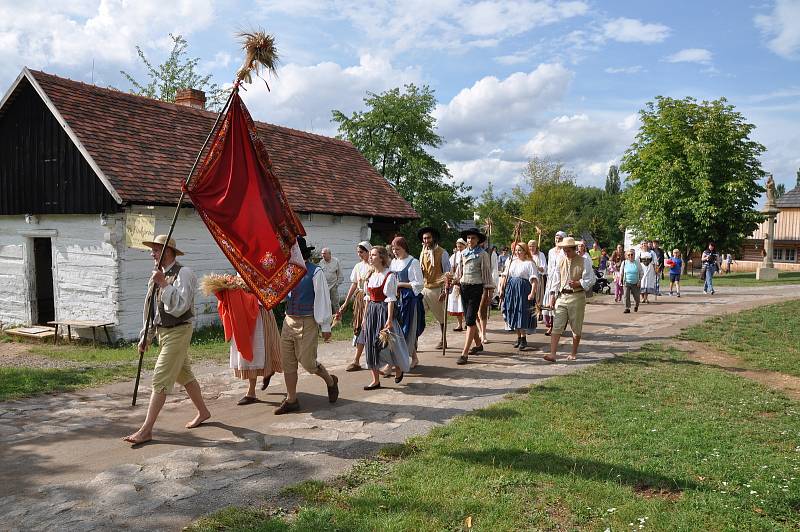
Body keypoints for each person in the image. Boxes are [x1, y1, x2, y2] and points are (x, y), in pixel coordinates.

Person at [123, 235, 210, 446]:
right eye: (152, 250)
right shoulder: (157, 275)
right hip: (164, 332)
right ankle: (204, 412)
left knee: (160, 377)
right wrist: (146, 336)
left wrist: (164, 284)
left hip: (180, 331)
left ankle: (146, 430)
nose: (151, 254)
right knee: (184, 375)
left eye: (155, 250)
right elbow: (153, 310)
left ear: (166, 251)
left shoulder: (184, 273)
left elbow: (180, 307)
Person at [274, 236, 339, 415]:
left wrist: (325, 327)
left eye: (291, 253)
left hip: (308, 321)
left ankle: (331, 381)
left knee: (309, 364)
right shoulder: (288, 271)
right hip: (288, 320)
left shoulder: (315, 272)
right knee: (288, 363)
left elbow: (323, 300)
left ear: (300, 254)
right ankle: (291, 399)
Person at [215, 275, 282, 405]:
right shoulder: (240, 267)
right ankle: (254, 388)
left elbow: (268, 294)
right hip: (243, 313)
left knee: (260, 349)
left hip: (259, 313)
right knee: (250, 350)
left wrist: (246, 297)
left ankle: (253, 389)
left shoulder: (263, 268)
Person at [361, 246, 411, 390]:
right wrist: (364, 318)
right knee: (370, 344)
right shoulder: (370, 276)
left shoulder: (389, 275)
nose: (370, 257)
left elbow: (391, 299)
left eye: (374, 255)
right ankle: (375, 380)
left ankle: (398, 366)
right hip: (371, 312)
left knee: (386, 345)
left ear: (382, 257)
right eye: (370, 255)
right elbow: (367, 299)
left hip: (383, 311)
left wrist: (389, 319)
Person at [543, 237, 594, 362]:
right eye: (564, 250)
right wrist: (553, 296)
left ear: (574, 249)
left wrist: (579, 283)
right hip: (562, 296)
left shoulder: (584, 261)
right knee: (557, 325)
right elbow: (555, 280)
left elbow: (591, 279)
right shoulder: (561, 261)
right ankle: (552, 354)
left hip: (577, 296)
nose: (566, 253)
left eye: (568, 251)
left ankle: (573, 352)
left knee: (576, 327)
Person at [452, 228, 494, 365]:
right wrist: (452, 281)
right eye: (468, 238)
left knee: (470, 320)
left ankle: (464, 354)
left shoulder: (483, 254)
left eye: (473, 238)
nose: (470, 240)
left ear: (478, 240)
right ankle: (478, 344)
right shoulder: (462, 253)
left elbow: (487, 274)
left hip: (476, 288)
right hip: (464, 287)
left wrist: (489, 291)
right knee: (468, 318)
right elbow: (459, 272)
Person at [390, 236, 425, 369]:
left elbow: (419, 284)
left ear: (404, 248)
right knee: (398, 330)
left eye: (397, 249)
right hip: (397, 299)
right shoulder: (393, 262)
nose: (395, 251)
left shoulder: (413, 262)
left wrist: (402, 284)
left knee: (407, 329)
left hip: (409, 300)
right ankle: (413, 358)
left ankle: (397, 362)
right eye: (393, 249)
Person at [337, 241, 372, 371]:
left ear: (369, 251)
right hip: (360, 300)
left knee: (371, 328)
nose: (359, 255)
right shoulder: (358, 266)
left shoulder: (375, 266)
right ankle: (356, 360)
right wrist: (346, 302)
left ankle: (375, 360)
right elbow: (354, 284)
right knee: (359, 328)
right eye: (358, 252)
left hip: (373, 301)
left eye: (361, 252)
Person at [500, 242, 539, 350]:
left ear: (525, 251)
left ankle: (523, 338)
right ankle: (518, 337)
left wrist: (532, 293)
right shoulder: (512, 262)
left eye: (520, 250)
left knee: (521, 313)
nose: (517, 252)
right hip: (511, 289)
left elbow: (534, 280)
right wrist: (502, 288)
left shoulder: (529, 263)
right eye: (516, 250)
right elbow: (505, 275)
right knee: (513, 312)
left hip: (523, 290)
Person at [418, 227, 451, 351]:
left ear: (433, 238)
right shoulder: (422, 252)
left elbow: (447, 272)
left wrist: (444, 290)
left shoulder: (442, 252)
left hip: (437, 288)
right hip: (425, 288)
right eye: (424, 238)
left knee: (441, 317)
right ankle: (414, 341)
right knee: (419, 314)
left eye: (428, 238)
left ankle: (443, 339)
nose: (426, 240)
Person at [543, 231, 566, 335]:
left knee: (558, 303)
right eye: (556, 238)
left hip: (561, 278)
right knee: (549, 302)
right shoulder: (551, 251)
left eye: (560, 239)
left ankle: (558, 326)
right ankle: (551, 326)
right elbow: (549, 266)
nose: (557, 240)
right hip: (551, 278)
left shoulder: (565, 252)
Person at [447, 238, 467, 332]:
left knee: (465, 304)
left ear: (464, 245)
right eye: (458, 245)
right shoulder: (454, 256)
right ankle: (459, 324)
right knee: (457, 304)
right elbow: (450, 268)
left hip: (464, 281)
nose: (459, 247)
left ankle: (468, 322)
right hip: (455, 282)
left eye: (461, 245)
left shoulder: (467, 254)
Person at [527, 239, 547, 320]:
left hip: (538, 277)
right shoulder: (527, 255)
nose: (532, 248)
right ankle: (530, 313)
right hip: (529, 277)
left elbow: (543, 268)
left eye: (533, 246)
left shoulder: (540, 255)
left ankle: (539, 312)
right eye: (530, 246)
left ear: (536, 247)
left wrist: (535, 266)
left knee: (538, 295)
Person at [319, 247, 343, 312]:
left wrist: (337, 284)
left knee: (335, 303)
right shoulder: (321, 262)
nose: (322, 255)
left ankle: (338, 318)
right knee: (325, 303)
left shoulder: (336, 261)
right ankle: (327, 318)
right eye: (322, 254)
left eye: (324, 254)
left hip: (333, 286)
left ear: (329, 254)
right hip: (324, 287)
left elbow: (340, 274)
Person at [622, 249, 644, 313]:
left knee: (637, 297)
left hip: (636, 282)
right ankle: (627, 308)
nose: (630, 256)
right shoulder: (624, 262)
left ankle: (636, 305)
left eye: (632, 254)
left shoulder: (637, 263)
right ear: (626, 256)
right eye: (629, 255)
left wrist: (639, 281)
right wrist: (621, 280)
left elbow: (641, 272)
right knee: (626, 295)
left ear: (634, 255)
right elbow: (621, 272)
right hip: (627, 281)